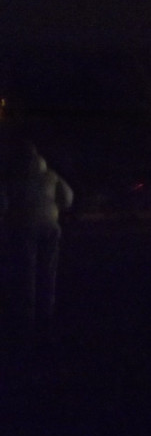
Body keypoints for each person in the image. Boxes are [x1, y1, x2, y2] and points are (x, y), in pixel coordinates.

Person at [2, 140, 74, 348]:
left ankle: (27, 314)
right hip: (50, 225)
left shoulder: (14, 178)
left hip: (23, 226)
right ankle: (47, 311)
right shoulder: (51, 176)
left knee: (27, 269)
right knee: (48, 268)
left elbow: (3, 203)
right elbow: (67, 199)